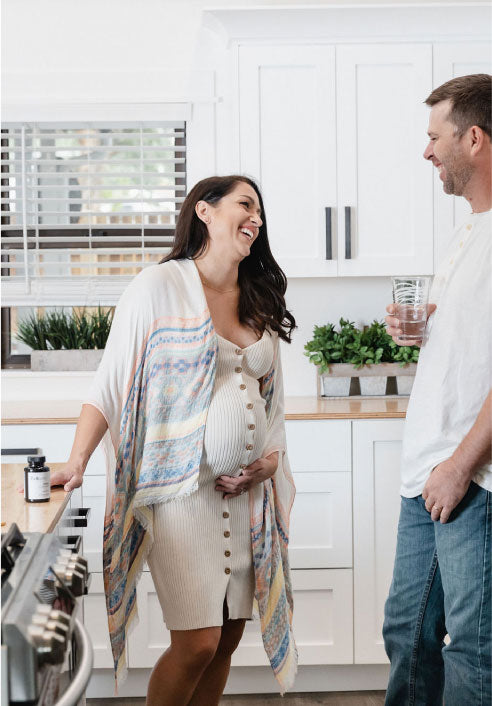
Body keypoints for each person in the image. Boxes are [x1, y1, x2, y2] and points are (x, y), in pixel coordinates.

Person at [50, 175, 298, 705]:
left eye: (260, 210)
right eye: (244, 205)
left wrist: (269, 463)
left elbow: (274, 404)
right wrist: (77, 459)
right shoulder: (157, 288)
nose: (255, 218)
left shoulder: (256, 296)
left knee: (226, 639)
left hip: (247, 496)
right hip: (180, 495)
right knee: (196, 642)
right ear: (204, 212)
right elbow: (111, 385)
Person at [383, 74, 492, 705]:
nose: (427, 152)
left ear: (473, 138)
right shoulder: (466, 232)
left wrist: (460, 465)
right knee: (407, 635)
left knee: (476, 649)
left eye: (435, 137)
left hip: (471, 476)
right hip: (425, 472)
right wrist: (423, 328)